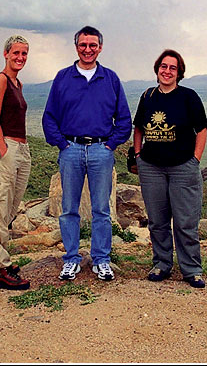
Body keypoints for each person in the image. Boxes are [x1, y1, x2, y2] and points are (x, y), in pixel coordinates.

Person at [42, 26, 132, 281]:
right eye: (83, 45)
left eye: (93, 45)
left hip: (101, 151)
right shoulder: (63, 77)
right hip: (71, 150)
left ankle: (101, 260)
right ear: (76, 47)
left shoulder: (111, 79)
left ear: (100, 48)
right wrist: (62, 144)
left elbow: (124, 119)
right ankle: (71, 259)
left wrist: (111, 145)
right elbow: (49, 116)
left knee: (101, 209)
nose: (88, 49)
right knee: (69, 208)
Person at [132, 49, 207, 288]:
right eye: (163, 67)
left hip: (182, 167)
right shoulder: (147, 96)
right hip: (152, 167)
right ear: (157, 69)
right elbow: (138, 128)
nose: (167, 71)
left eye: (172, 68)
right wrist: (138, 155)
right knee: (157, 220)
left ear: (179, 72)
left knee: (185, 221)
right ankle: (162, 264)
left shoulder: (189, 97)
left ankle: (192, 269)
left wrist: (195, 159)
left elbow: (202, 129)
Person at [0, 35, 32, 290]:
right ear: (6, 54)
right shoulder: (0, 80)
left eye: (24, 54)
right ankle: (0, 268)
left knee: (9, 207)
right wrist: (4, 151)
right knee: (0, 206)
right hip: (6, 148)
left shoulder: (17, 83)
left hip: (21, 147)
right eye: (16, 53)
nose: (20, 58)